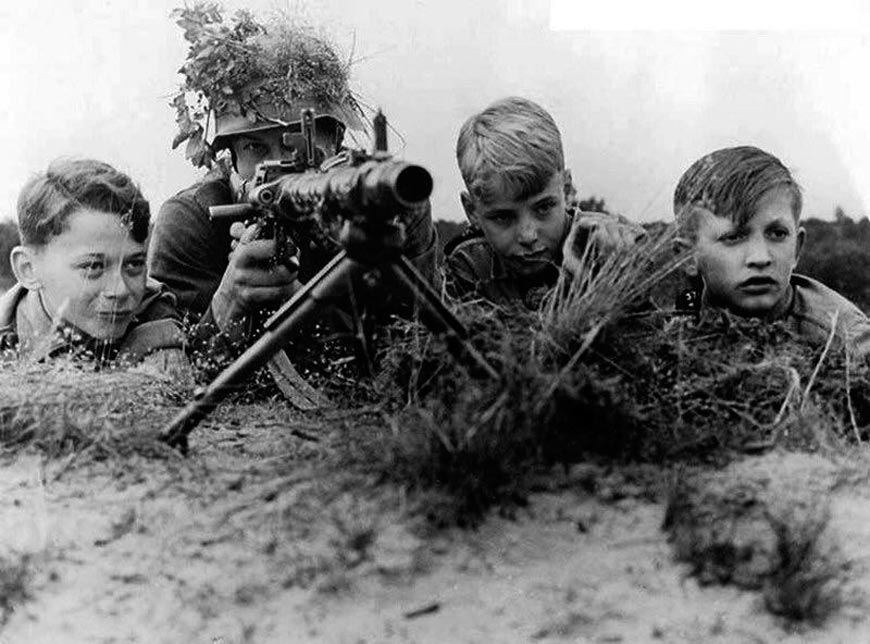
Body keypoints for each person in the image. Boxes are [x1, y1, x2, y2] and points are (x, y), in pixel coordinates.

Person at [149, 9, 438, 370]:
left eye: (298, 145)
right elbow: (175, 378)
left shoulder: (388, 201)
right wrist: (227, 305)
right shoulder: (191, 220)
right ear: (230, 158)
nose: (280, 168)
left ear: (336, 140)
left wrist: (304, 308)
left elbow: (417, 359)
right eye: (255, 148)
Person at [445, 96, 642, 310]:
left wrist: (629, 278)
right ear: (472, 211)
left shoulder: (609, 245)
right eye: (503, 217)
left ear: (566, 190)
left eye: (544, 207)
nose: (528, 236)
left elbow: (666, 319)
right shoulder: (469, 264)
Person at [673, 145, 870, 353]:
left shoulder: (846, 341)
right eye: (734, 237)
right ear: (687, 258)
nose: (760, 258)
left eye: (777, 234)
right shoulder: (682, 310)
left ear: (797, 248)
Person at [0, 158, 190, 375]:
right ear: (29, 269)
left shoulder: (153, 311)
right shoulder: (6, 341)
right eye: (93, 267)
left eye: (134, 264)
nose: (121, 290)